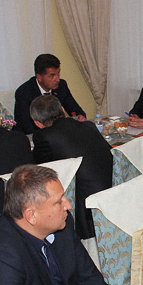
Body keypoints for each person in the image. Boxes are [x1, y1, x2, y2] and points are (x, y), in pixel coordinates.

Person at [30, 94, 112, 239]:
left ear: (37, 123)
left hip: (84, 206)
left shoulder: (44, 136)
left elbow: (41, 171)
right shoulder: (89, 125)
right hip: (112, 190)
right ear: (63, 110)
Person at [14, 54, 86, 135]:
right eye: (52, 76)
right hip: (33, 136)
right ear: (39, 77)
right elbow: (28, 126)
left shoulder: (61, 86)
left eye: (58, 73)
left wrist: (80, 116)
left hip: (57, 134)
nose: (57, 79)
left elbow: (75, 109)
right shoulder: (24, 92)